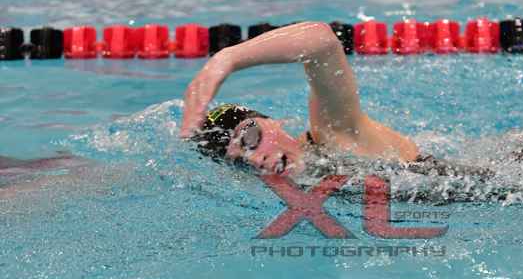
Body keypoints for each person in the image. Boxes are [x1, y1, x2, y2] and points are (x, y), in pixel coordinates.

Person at [181, 22, 434, 177]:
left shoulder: (333, 136)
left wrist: (227, 58)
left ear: (274, 122)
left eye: (250, 139)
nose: (255, 159)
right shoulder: (302, 183)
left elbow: (321, 41)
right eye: (239, 162)